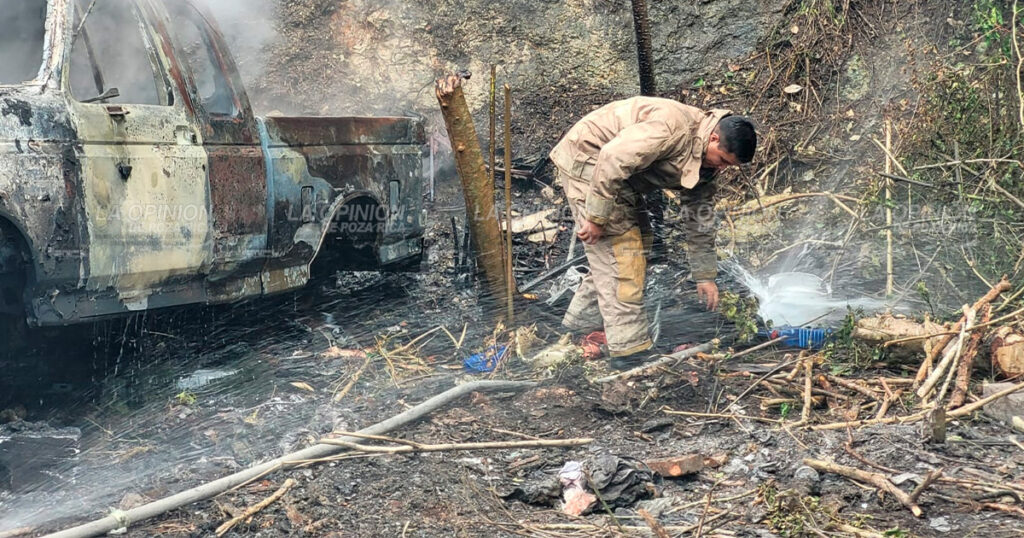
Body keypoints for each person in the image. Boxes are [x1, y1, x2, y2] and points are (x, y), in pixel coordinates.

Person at [549, 96, 757, 367]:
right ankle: (627, 351)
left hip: (619, 177)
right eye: (722, 160)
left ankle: (580, 324)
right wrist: (597, 217)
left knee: (636, 247)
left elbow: (700, 219)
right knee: (623, 254)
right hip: (590, 159)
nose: (722, 168)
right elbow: (612, 157)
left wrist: (704, 276)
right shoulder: (672, 128)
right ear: (714, 138)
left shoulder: (706, 160)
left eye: (728, 166)